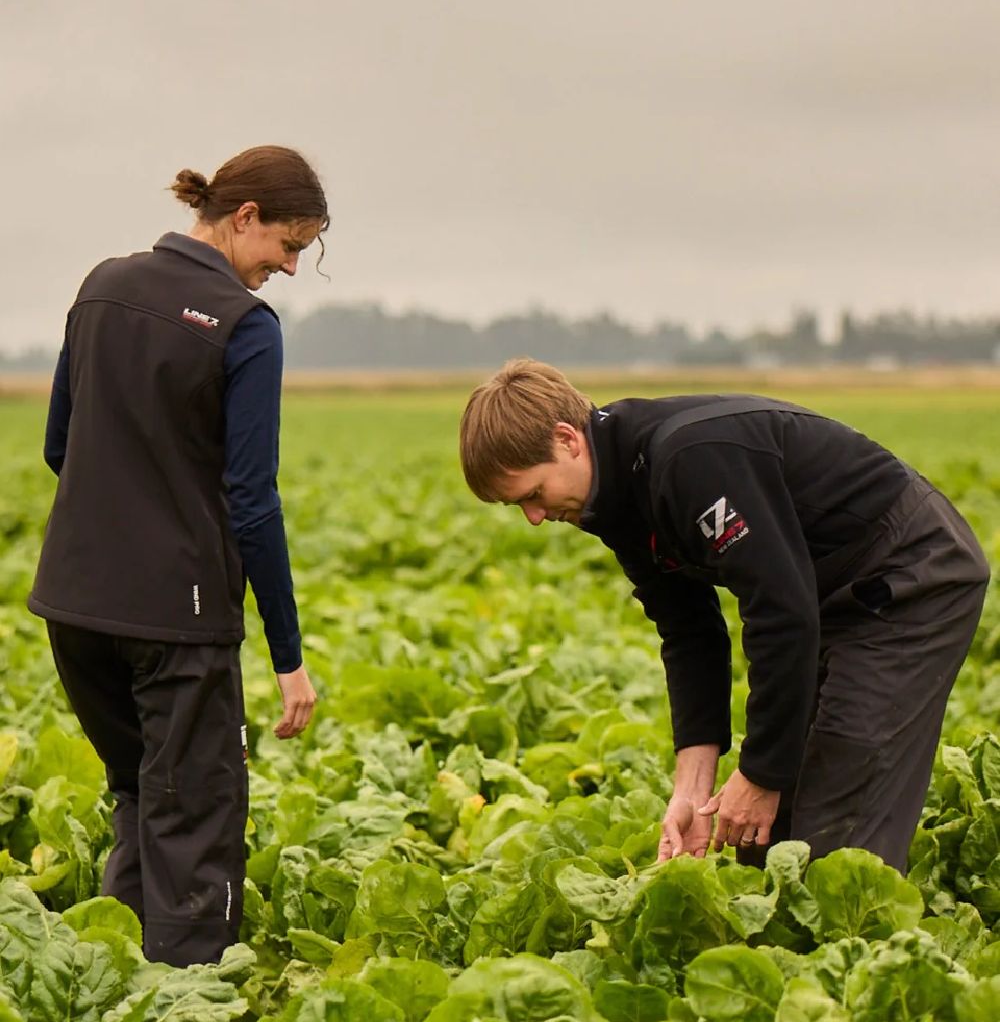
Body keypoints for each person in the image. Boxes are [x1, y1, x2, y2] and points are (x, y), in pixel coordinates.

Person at [459, 358, 990, 874]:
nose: (534, 518)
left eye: (532, 494)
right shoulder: (611, 496)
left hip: (911, 572)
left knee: (837, 827)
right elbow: (689, 631)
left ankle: (863, 947)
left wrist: (759, 773)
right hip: (828, 591)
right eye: (517, 507)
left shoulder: (688, 459)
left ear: (567, 440)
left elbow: (780, 611)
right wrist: (691, 791)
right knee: (764, 842)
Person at [29, 145, 327, 965]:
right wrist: (288, 655)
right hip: (177, 621)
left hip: (74, 608)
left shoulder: (102, 286)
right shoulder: (246, 327)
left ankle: (117, 981)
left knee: (141, 798)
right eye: (288, 246)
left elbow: (61, 445)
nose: (291, 269)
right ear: (243, 219)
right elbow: (252, 502)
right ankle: (186, 1017)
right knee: (195, 816)